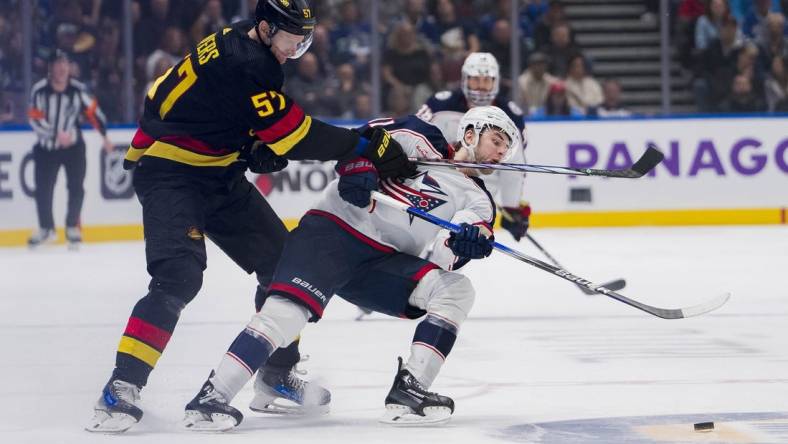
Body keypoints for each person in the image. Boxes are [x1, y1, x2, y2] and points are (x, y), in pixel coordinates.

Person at [86, 0, 415, 433]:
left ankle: (276, 376)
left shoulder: (244, 39)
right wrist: (361, 145)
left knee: (286, 265)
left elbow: (203, 106)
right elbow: (295, 135)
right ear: (265, 28)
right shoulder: (248, 62)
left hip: (217, 172)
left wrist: (246, 145)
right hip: (170, 172)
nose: (296, 50)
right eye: (293, 40)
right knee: (179, 276)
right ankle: (120, 386)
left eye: (304, 41)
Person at [181, 106, 519, 430]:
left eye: (506, 148)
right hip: (334, 232)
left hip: (382, 264)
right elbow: (360, 141)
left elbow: (444, 257)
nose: (501, 153)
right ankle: (212, 397)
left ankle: (409, 391)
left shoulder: (479, 202)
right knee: (286, 314)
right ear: (471, 133)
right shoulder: (420, 136)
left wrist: (464, 245)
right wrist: (359, 168)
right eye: (497, 141)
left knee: (456, 290)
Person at [416, 52, 531, 244]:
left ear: (496, 82)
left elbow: (513, 168)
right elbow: (415, 136)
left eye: (486, 80)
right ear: (464, 80)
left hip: (479, 190)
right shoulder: (439, 105)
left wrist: (512, 208)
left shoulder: (511, 116)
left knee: (455, 244)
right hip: (437, 181)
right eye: (475, 80)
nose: (481, 86)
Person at [27, 50, 113, 248]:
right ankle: (46, 228)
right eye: (57, 64)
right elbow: (34, 118)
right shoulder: (39, 90)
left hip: (74, 147)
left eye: (64, 63)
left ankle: (72, 227)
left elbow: (94, 113)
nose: (61, 68)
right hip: (46, 147)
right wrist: (55, 134)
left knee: (76, 187)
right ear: (50, 69)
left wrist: (105, 137)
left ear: (68, 67)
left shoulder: (78, 90)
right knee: (43, 189)